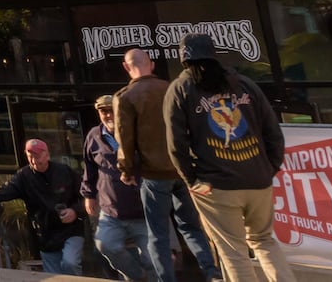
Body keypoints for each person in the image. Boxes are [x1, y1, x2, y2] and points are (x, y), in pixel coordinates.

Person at [165, 34, 298, 282]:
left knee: (233, 251)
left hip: (216, 184)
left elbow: (176, 145)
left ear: (184, 59)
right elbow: (273, 132)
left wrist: (192, 180)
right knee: (264, 240)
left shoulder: (180, 90)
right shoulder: (245, 84)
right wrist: (268, 169)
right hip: (257, 179)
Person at [116, 48, 221, 282]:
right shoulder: (172, 88)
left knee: (158, 234)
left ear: (126, 67)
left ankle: (167, 279)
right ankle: (211, 272)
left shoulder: (126, 97)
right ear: (151, 64)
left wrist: (127, 170)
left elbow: (125, 139)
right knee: (191, 226)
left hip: (154, 174)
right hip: (184, 170)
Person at [0, 139, 84, 275]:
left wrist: (75, 211)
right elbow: (3, 193)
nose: (34, 160)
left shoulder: (64, 171)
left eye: (37, 156)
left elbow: (87, 195)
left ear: (47, 155)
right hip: (46, 234)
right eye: (30, 157)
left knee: (70, 263)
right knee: (53, 276)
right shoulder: (23, 176)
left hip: (71, 230)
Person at [84, 94, 153, 281]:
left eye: (111, 110)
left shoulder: (136, 132)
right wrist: (89, 195)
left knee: (152, 259)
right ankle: (137, 276)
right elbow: (89, 168)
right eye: (103, 111)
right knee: (105, 245)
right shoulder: (93, 136)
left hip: (142, 211)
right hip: (111, 211)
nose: (108, 115)